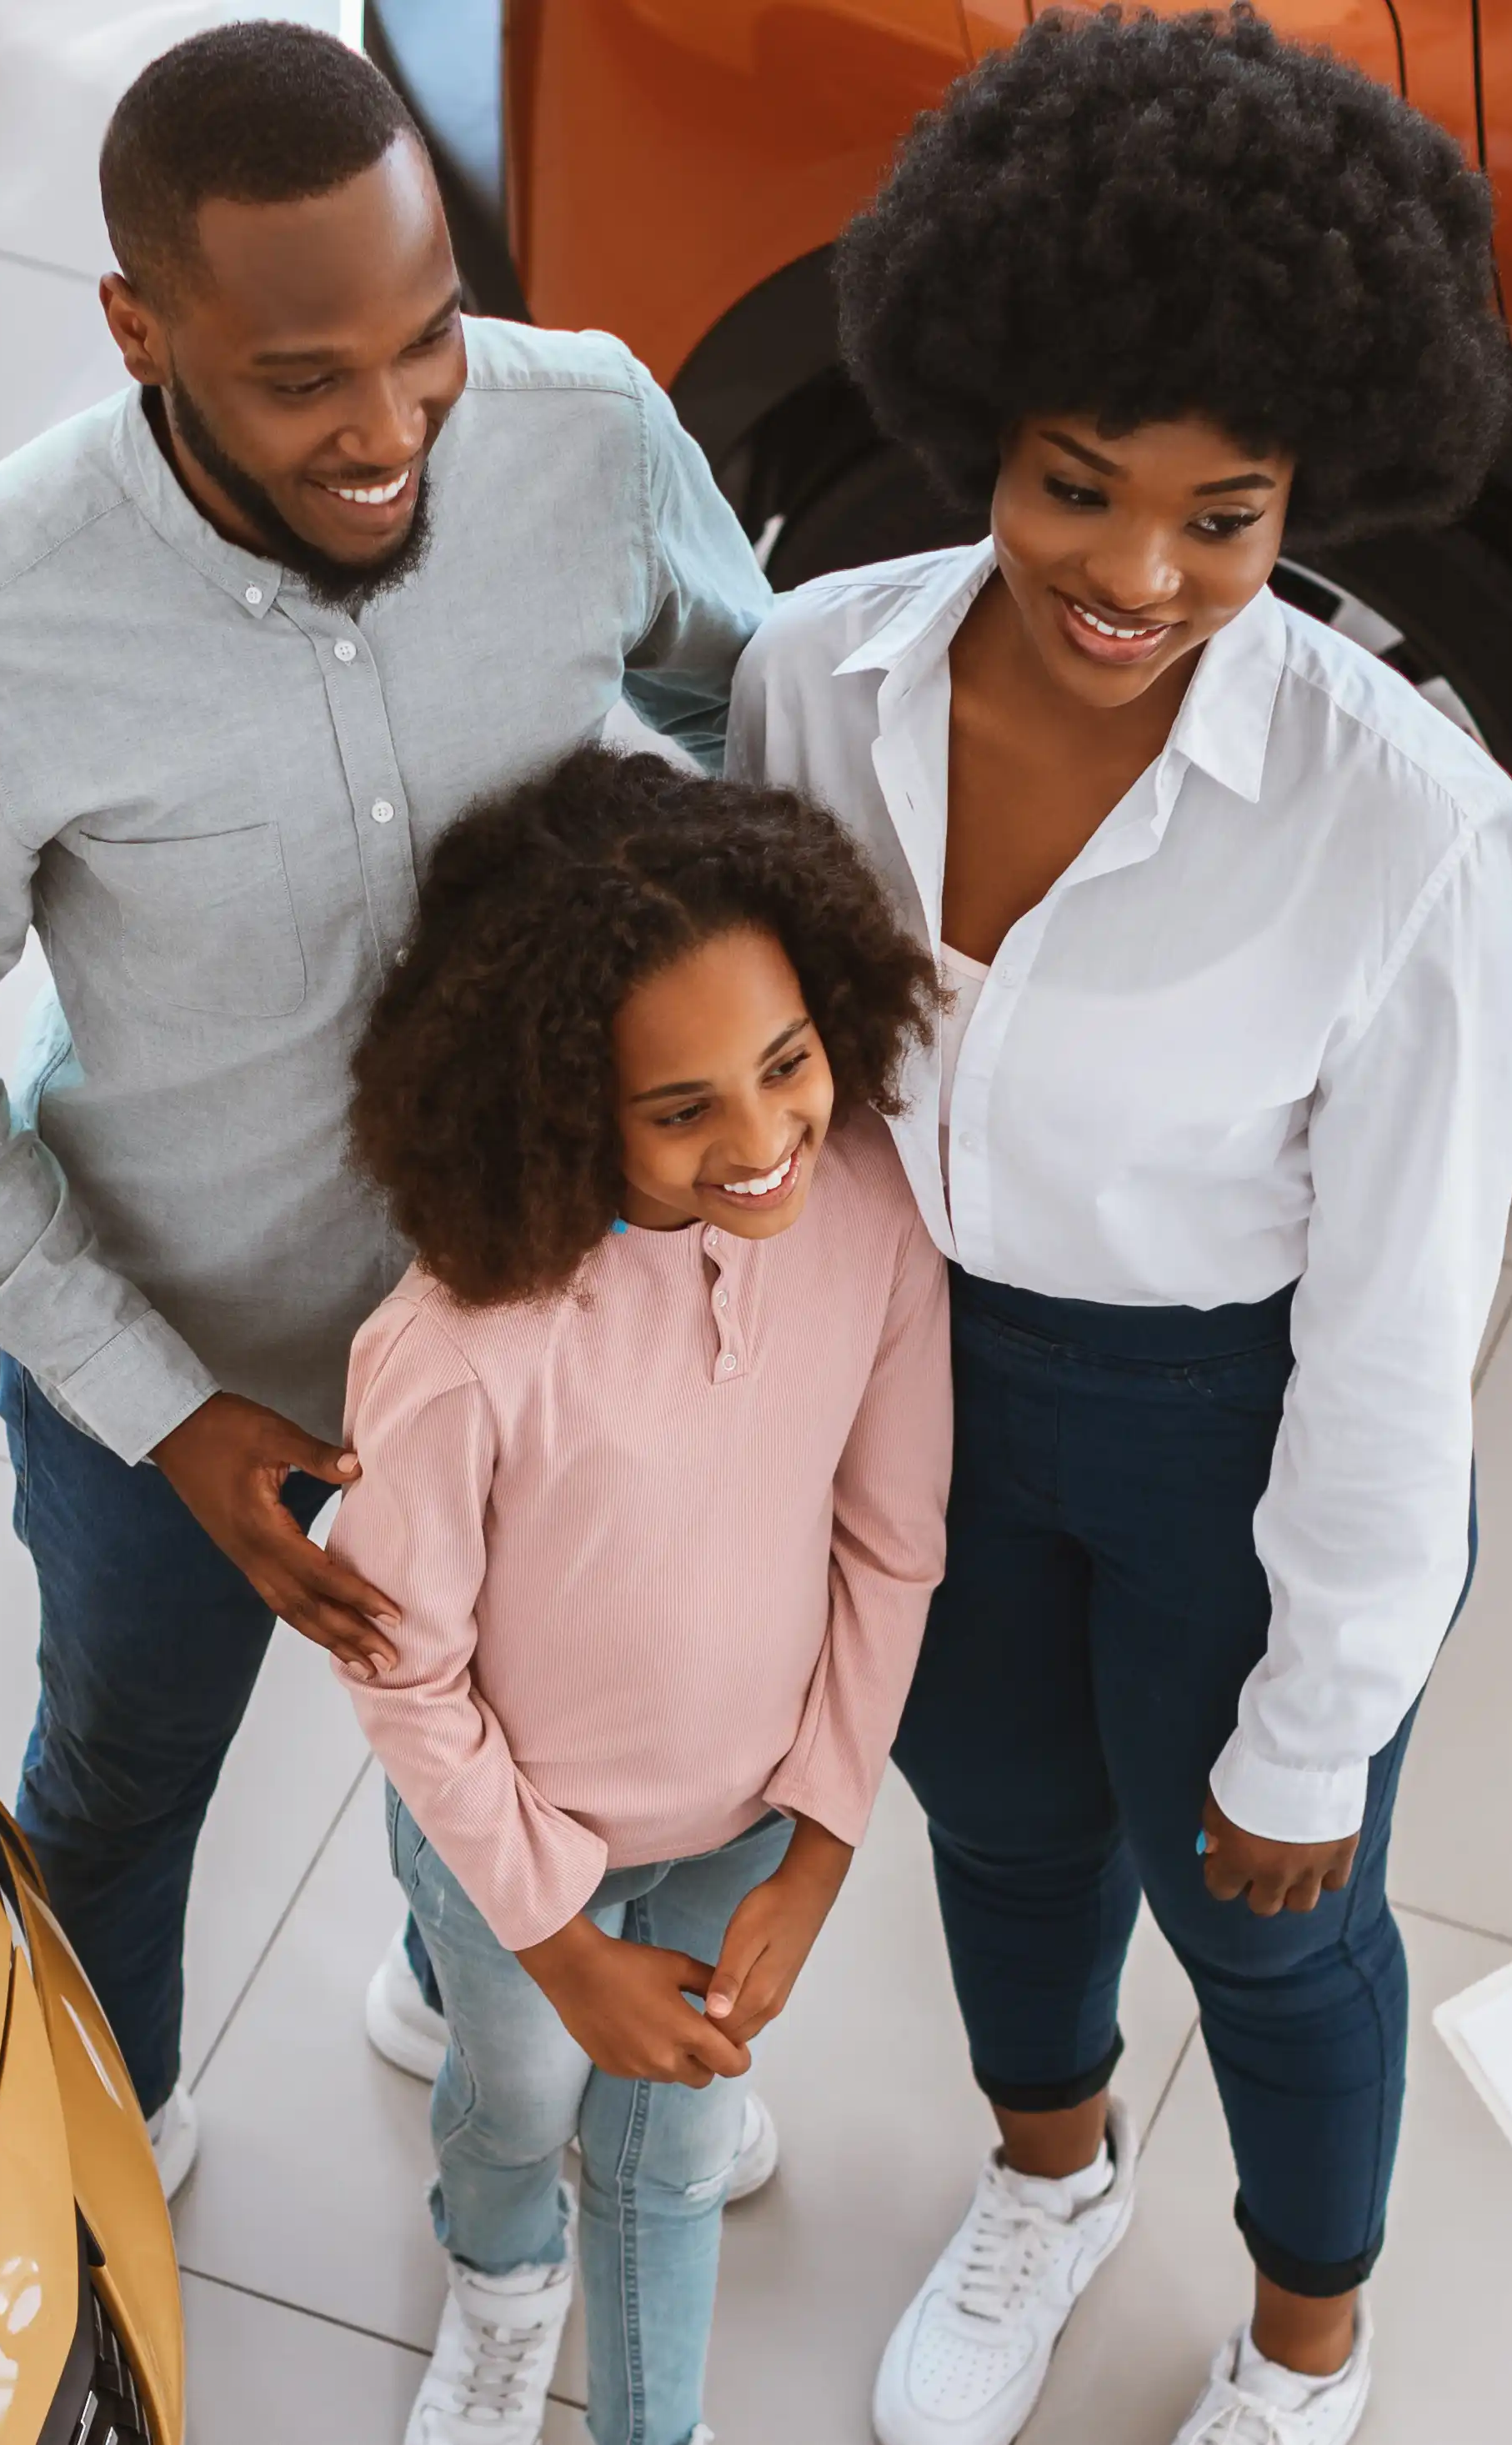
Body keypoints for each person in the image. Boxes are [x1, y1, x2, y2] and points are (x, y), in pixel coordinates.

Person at [0, 22, 771, 2197]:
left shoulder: (584, 430)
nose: (393, 422)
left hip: (550, 1338)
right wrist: (154, 1405)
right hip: (192, 1375)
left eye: (423, 339)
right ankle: (106, 2132)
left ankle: (467, 1995)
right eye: (304, 377)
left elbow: (756, 706)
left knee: (553, 1742)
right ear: (140, 328)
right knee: (121, 1778)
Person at [726, 13, 1512, 2442]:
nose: (1139, 575)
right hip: (920, 1379)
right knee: (1002, 1823)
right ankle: (1047, 2177)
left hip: (1233, 1427)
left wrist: (1322, 1706)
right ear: (979, 418)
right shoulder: (810, 675)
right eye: (1081, 489)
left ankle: (1306, 2339)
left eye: (1227, 512)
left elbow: (1400, 1326)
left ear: (1320, 487)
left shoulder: (1404, 822)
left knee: (1268, 1925)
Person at [328, 747, 948, 2445]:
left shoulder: (876, 1210)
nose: (762, 1143)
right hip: (523, 1848)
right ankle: (499, 2265)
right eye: (683, 1110)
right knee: (518, 2092)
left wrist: (819, 1848)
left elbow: (893, 1546)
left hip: (747, 1825)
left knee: (664, 2162)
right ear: (560, 1106)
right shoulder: (460, 1349)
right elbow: (401, 1671)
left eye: (787, 1064)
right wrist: (554, 1941)